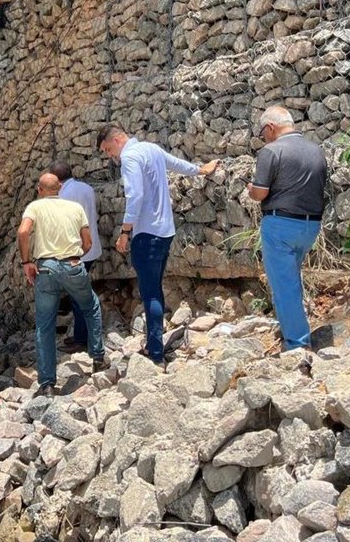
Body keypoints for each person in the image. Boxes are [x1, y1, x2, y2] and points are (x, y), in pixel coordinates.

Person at [97, 126, 219, 365]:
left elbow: (135, 196)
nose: (110, 155)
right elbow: (177, 164)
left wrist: (124, 232)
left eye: (108, 149)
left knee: (150, 293)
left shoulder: (130, 157)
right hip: (165, 232)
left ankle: (155, 352)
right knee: (155, 290)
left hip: (146, 235)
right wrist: (201, 170)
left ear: (118, 139)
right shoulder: (151, 149)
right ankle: (156, 344)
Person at [17, 173, 106, 397]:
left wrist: (27, 262)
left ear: (40, 189)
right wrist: (78, 256)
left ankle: (47, 384)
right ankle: (98, 359)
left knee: (45, 325)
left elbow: (23, 231)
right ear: (60, 188)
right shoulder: (75, 208)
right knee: (90, 307)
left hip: (45, 268)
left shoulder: (34, 207)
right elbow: (87, 242)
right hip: (73, 265)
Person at [246, 106, 327, 351]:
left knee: (284, 286)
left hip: (280, 225)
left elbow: (260, 193)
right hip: (310, 226)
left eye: (262, 134)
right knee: (291, 280)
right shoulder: (316, 150)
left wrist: (251, 190)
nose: (263, 138)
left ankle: (297, 345)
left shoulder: (271, 151)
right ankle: (293, 327)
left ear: (270, 128)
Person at [48, 160, 102, 355]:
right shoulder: (86, 188)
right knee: (80, 293)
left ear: (56, 180)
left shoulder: (62, 196)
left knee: (78, 297)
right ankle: (82, 335)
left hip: (75, 252)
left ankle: (82, 339)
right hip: (92, 247)